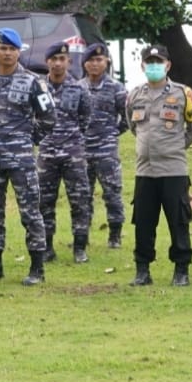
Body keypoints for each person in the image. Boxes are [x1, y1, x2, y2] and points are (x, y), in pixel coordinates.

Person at [0, 27, 56, 286]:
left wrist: (27, 138)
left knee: (30, 212)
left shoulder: (33, 81)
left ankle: (37, 268)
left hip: (22, 158)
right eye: (3, 48)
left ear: (19, 52)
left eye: (12, 49)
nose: (7, 53)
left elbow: (49, 117)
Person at [126, 45, 192, 287]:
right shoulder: (134, 95)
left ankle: (181, 270)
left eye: (158, 62)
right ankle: (142, 270)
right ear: (142, 66)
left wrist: (176, 146)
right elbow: (133, 126)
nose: (154, 66)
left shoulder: (183, 93)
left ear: (168, 65)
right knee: (143, 223)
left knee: (178, 221)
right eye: (149, 62)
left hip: (173, 170)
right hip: (145, 171)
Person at [37, 43, 93, 264]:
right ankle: (47, 247)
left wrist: (72, 140)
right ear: (47, 62)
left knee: (79, 201)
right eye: (54, 59)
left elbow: (85, 119)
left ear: (69, 62)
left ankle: (79, 248)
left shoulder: (79, 89)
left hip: (73, 153)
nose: (58, 63)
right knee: (44, 202)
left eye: (62, 59)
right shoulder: (38, 88)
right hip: (47, 153)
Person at [82, 43, 129, 248]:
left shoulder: (116, 88)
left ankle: (115, 236)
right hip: (82, 151)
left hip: (106, 151)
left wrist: (112, 133)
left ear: (107, 62)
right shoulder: (77, 87)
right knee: (83, 196)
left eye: (99, 60)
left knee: (112, 193)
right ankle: (82, 236)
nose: (95, 64)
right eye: (91, 60)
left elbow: (128, 118)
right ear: (84, 64)